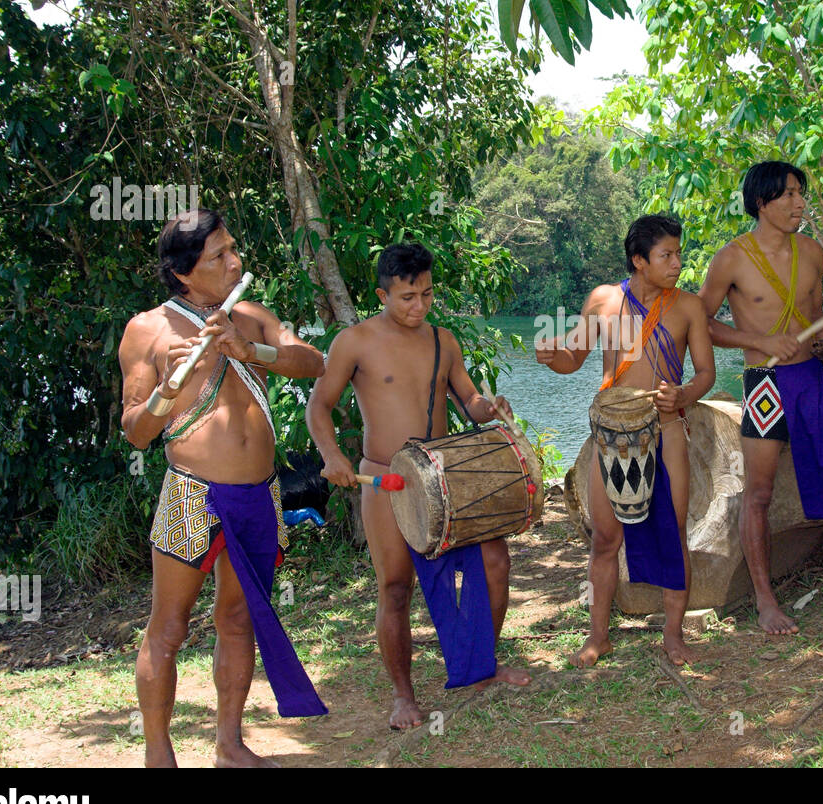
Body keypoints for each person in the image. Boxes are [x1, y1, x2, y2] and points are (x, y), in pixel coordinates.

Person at [120, 208, 328, 768]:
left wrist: (249, 349)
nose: (235, 261)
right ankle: (158, 755)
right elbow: (137, 431)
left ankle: (230, 745)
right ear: (185, 272)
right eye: (219, 256)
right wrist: (168, 387)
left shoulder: (250, 315)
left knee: (238, 619)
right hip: (193, 494)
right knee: (169, 626)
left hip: (260, 493)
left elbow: (314, 361)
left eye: (233, 249)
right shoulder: (150, 329)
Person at [306, 243, 530, 731]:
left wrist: (489, 408)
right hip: (386, 477)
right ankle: (403, 698)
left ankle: (480, 670)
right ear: (383, 293)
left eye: (426, 294)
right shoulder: (354, 341)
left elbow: (467, 398)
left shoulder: (443, 340)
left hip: (446, 475)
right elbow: (318, 406)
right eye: (407, 297)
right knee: (395, 587)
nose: (419, 306)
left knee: (495, 562)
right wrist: (332, 457)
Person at [700, 161, 823, 635]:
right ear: (762, 202)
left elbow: (818, 321)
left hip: (814, 378)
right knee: (760, 494)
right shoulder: (730, 258)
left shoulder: (811, 251)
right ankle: (766, 603)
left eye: (801, 193)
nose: (799, 203)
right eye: (789, 195)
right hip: (764, 382)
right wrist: (762, 341)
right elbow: (701, 322)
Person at [536, 215, 715, 666]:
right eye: (666, 255)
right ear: (639, 260)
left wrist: (684, 394)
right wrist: (550, 355)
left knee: (672, 534)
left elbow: (706, 374)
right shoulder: (603, 301)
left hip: (666, 429)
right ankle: (598, 636)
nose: (676, 262)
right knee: (604, 539)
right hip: (611, 436)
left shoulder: (689, 307)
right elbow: (572, 360)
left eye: (678, 253)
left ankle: (673, 636)